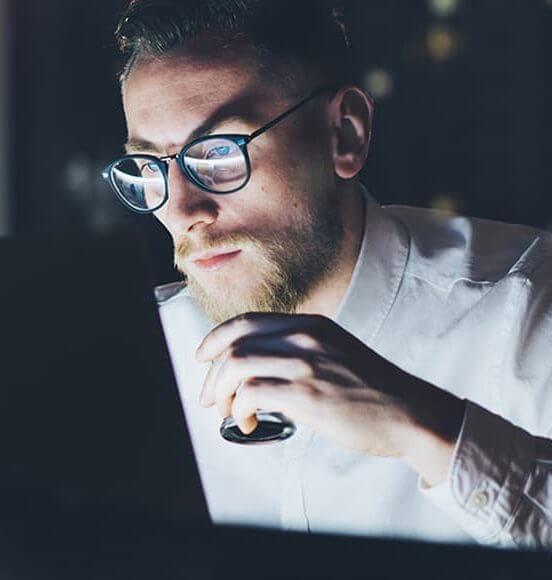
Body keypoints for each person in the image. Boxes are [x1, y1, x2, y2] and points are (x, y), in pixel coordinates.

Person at [104, 0, 552, 548]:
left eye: (219, 154)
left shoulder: (526, 311)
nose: (181, 211)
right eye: (149, 168)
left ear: (345, 134)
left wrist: (424, 427)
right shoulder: (134, 356)